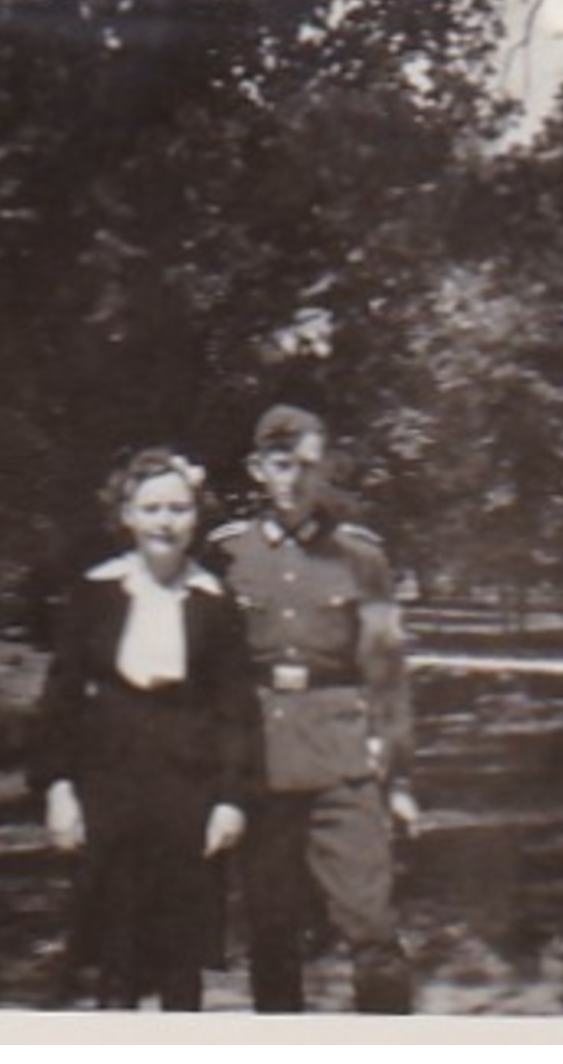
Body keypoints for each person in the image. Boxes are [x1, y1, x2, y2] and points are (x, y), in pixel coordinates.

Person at [28, 448, 260, 1011]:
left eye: (178, 508)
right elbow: (60, 699)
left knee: (183, 958)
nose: (165, 521)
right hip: (112, 777)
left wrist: (231, 800)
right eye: (151, 507)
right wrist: (59, 789)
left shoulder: (214, 602)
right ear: (127, 514)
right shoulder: (95, 593)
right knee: (117, 954)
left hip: (188, 781)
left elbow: (236, 710)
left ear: (195, 518)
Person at [207, 404, 419, 1014]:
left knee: (372, 928)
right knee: (272, 934)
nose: (295, 477)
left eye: (308, 463)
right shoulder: (226, 555)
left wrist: (398, 773)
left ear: (327, 467)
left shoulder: (361, 556)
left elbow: (386, 669)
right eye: (281, 463)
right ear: (256, 469)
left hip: (342, 758)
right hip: (261, 761)